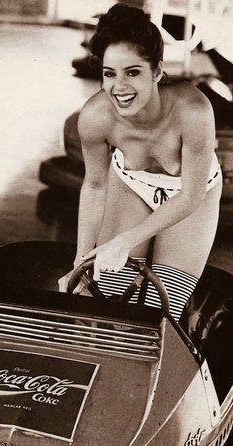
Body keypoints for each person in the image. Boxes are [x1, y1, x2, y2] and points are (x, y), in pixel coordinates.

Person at [58, 2, 222, 320]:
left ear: (157, 71)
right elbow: (95, 186)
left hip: (192, 194)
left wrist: (125, 241)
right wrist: (81, 261)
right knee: (105, 296)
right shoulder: (95, 117)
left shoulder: (194, 110)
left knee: (160, 308)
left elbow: (191, 195)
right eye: (110, 74)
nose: (119, 87)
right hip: (131, 185)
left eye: (133, 72)